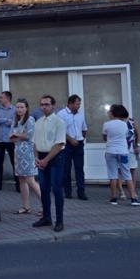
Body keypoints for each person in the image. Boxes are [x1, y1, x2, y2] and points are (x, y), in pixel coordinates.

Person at [32, 95, 67, 232]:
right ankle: (46, 217)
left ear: (53, 105)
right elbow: (34, 142)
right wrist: (37, 158)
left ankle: (59, 221)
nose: (44, 107)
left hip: (55, 157)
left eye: (47, 104)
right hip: (41, 157)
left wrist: (46, 160)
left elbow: (59, 144)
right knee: (44, 188)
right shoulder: (38, 122)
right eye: (42, 104)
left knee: (56, 189)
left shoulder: (59, 122)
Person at [103, 104, 140, 206]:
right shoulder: (124, 125)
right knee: (127, 173)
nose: (108, 113)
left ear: (112, 113)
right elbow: (127, 136)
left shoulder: (106, 124)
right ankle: (133, 198)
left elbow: (105, 137)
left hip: (110, 151)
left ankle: (113, 198)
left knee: (113, 175)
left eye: (109, 112)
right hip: (123, 151)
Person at [9, 99, 41, 214]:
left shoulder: (30, 120)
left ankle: (45, 205)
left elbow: (29, 136)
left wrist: (16, 135)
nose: (19, 109)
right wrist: (19, 136)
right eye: (17, 107)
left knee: (30, 180)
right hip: (18, 154)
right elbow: (10, 137)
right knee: (21, 179)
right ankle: (26, 206)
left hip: (28, 153)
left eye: (22, 107)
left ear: (26, 108)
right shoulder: (15, 120)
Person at [57, 94, 89, 200]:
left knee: (79, 168)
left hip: (78, 144)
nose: (79, 106)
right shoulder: (61, 114)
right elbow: (60, 130)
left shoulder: (80, 115)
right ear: (70, 104)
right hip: (66, 145)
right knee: (66, 168)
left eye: (79, 104)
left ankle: (81, 192)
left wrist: (81, 139)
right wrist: (71, 140)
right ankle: (68, 192)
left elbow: (84, 129)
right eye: (77, 104)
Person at [0, 91, 17, 191]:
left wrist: (1, 120)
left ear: (7, 99)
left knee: (14, 163)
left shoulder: (14, 110)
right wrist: (6, 120)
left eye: (1, 97)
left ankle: (19, 185)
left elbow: (14, 123)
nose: (0, 99)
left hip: (11, 140)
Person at [122, 115, 140, 199]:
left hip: (131, 149)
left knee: (132, 170)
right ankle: (121, 192)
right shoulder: (118, 122)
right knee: (119, 171)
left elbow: (138, 134)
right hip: (121, 149)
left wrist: (138, 145)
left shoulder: (132, 122)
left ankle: (133, 191)